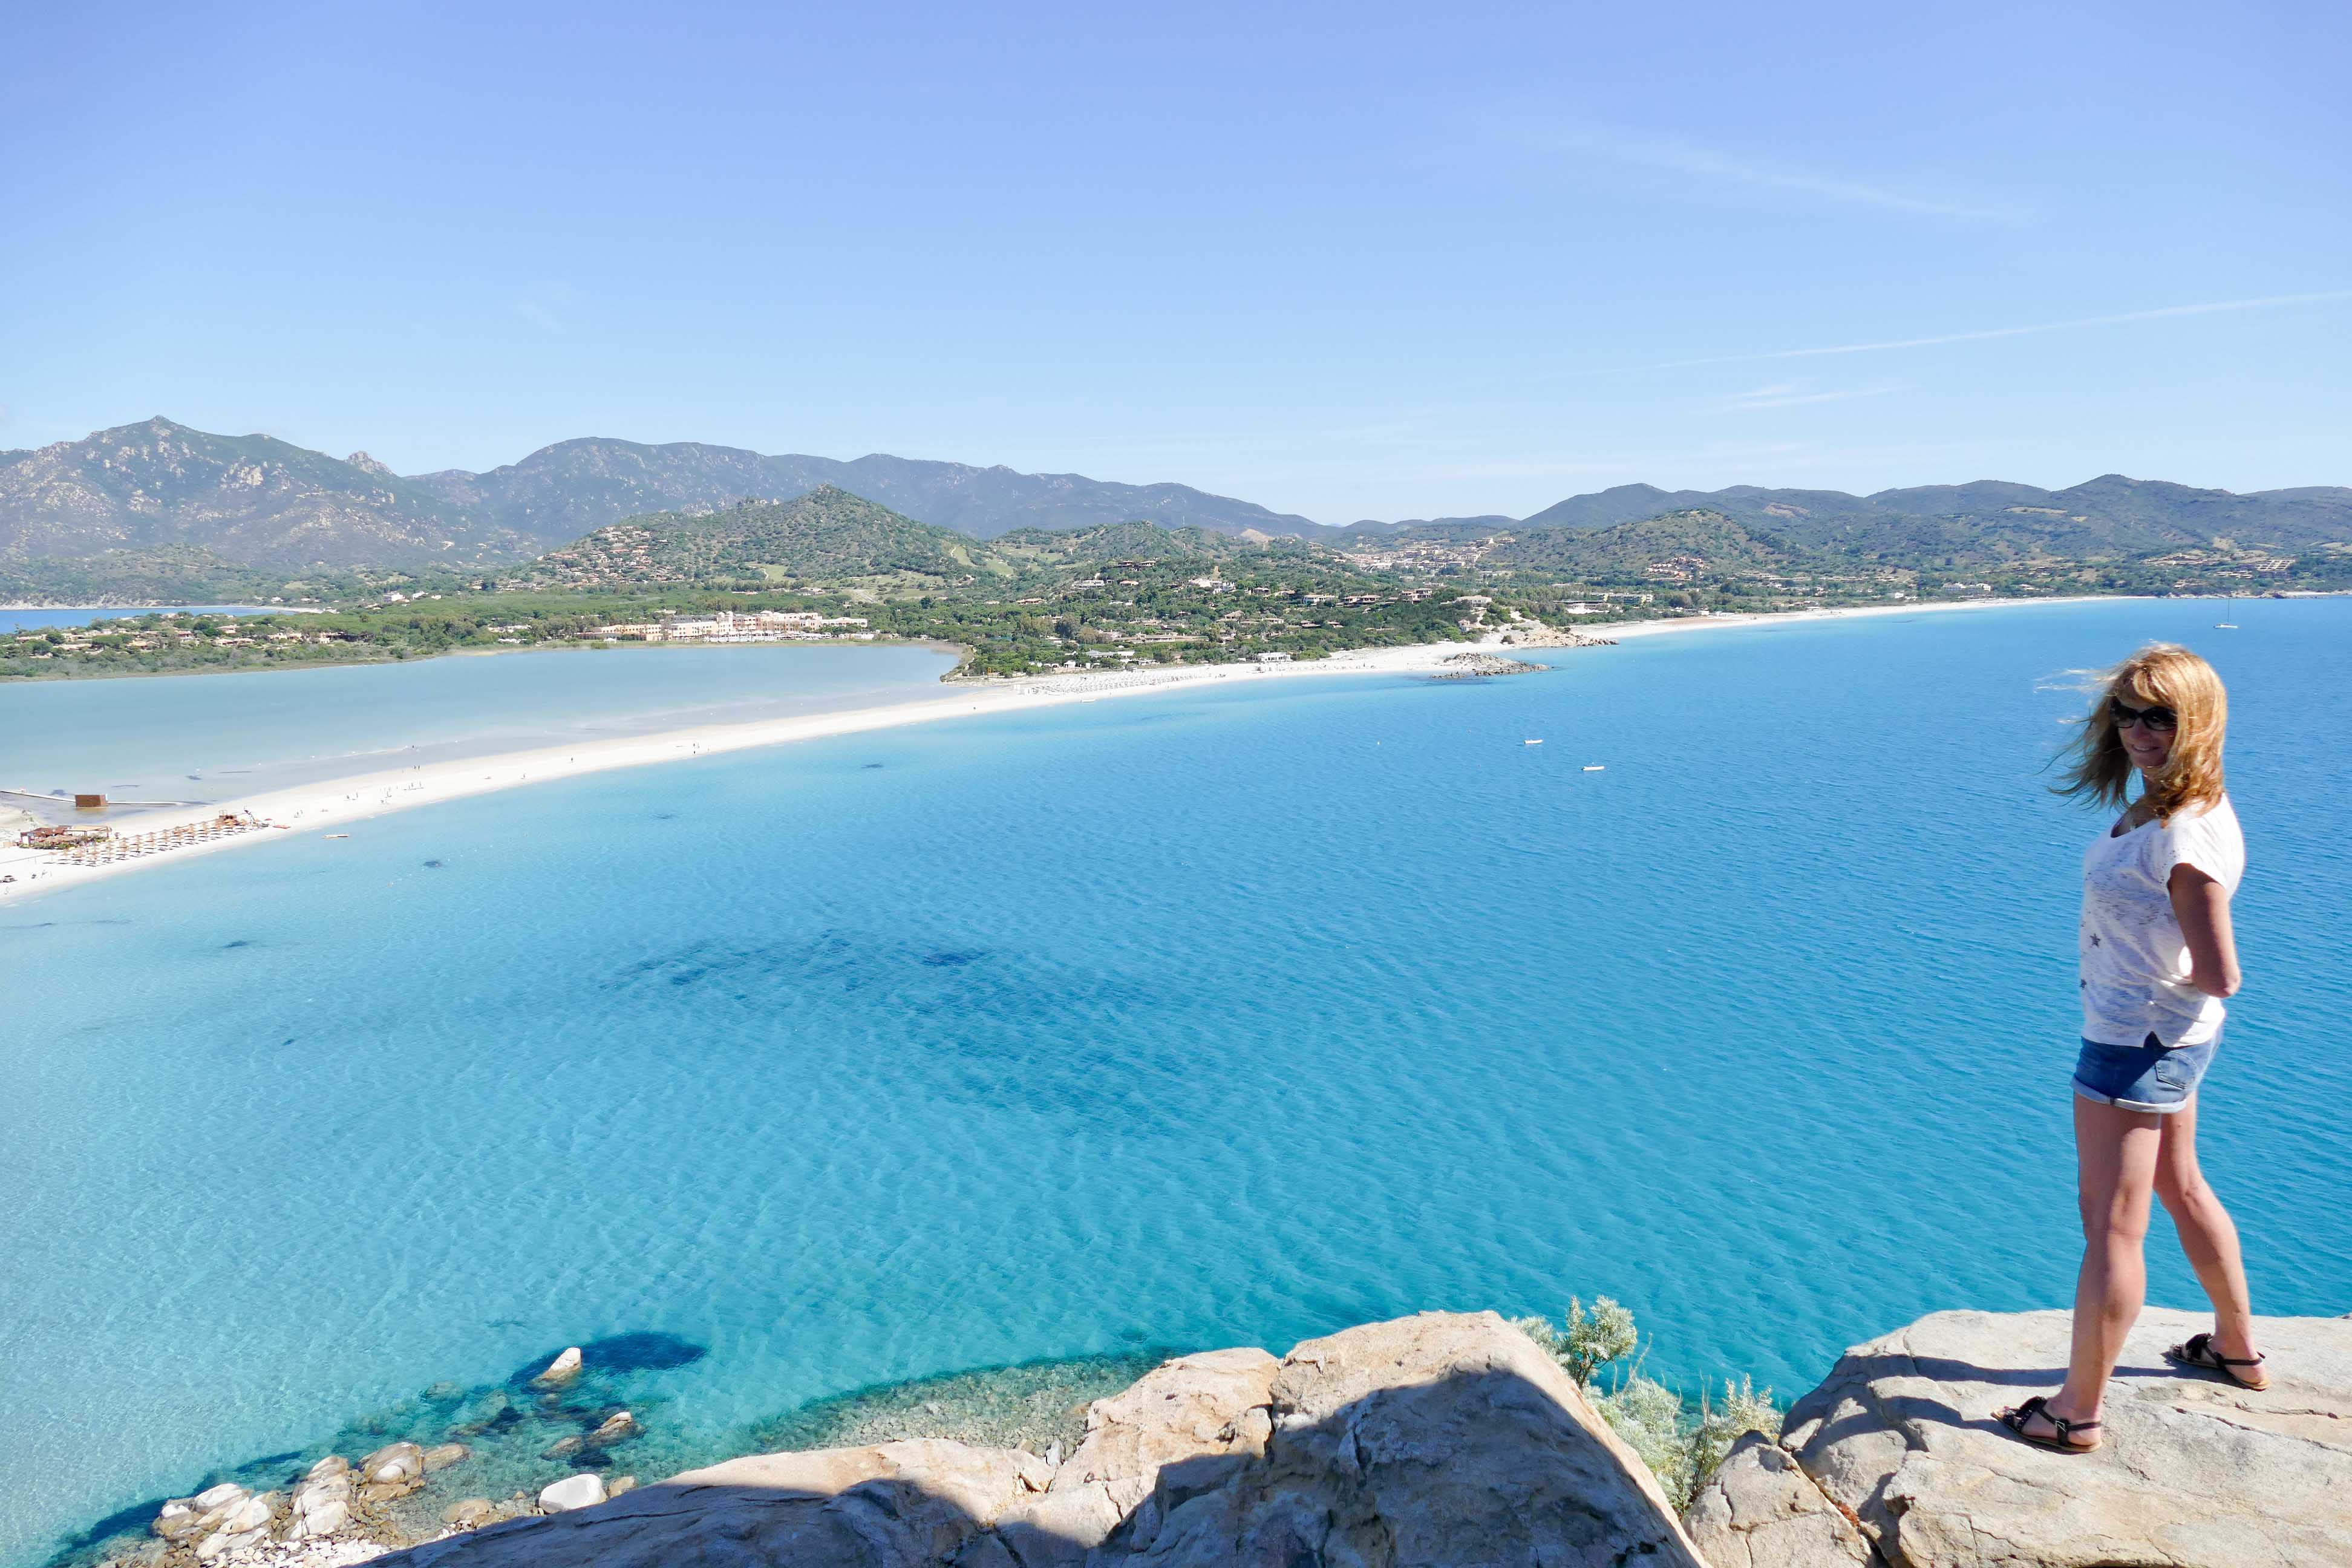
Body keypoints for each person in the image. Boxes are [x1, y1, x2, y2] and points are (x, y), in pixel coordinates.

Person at [1998, 643, 2262, 1455]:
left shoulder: (2182, 835)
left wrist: (2150, 986)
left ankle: (2076, 1411)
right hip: (2169, 1041)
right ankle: (2237, 1350)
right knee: (2181, 1186)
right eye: (2129, 712)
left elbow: (2221, 973)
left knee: (2113, 1225)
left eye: (2162, 716)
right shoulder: (2186, 805)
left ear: (2198, 722)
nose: (2141, 731)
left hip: (2135, 1042)